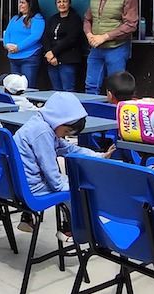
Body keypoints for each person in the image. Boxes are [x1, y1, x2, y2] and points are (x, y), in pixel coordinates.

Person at [13, 92, 115, 239]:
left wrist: (97, 155)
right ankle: (70, 230)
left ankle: (28, 218)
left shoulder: (41, 123)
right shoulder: (43, 133)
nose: (64, 135)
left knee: (68, 184)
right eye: (67, 131)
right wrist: (69, 186)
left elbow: (69, 149)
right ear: (59, 121)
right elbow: (51, 171)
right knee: (79, 188)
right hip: (32, 188)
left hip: (19, 184)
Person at [83, 0, 139, 95]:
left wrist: (105, 36)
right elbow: (87, 19)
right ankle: (90, 114)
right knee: (90, 86)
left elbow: (131, 24)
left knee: (116, 87)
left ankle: (114, 114)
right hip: (96, 48)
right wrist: (89, 34)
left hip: (116, 48)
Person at [42, 0, 84, 92]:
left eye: (64, 1)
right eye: (59, 2)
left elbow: (71, 39)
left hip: (68, 60)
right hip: (51, 60)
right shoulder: (53, 19)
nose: (62, 4)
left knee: (68, 91)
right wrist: (49, 53)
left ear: (70, 3)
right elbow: (46, 37)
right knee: (56, 91)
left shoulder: (75, 18)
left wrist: (53, 52)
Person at [3, 0, 45, 89]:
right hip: (13, 57)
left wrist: (18, 47)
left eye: (23, 3)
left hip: (29, 57)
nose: (20, 5)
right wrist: (7, 44)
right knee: (15, 86)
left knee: (27, 86)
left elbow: (35, 36)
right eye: (20, 2)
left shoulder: (37, 19)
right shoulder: (15, 18)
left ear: (30, 4)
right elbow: (7, 33)